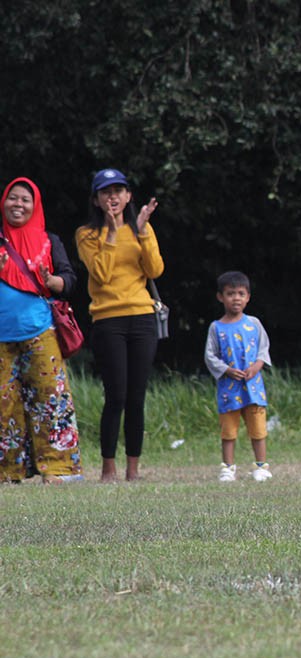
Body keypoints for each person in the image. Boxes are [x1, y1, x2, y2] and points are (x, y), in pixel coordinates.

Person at [75, 168, 162, 482]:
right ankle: (108, 468)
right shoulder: (86, 234)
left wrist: (142, 231)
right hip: (107, 318)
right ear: (96, 200)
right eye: (105, 192)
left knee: (137, 396)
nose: (112, 197)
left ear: (128, 196)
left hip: (142, 316)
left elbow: (155, 269)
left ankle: (133, 469)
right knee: (116, 396)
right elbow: (101, 275)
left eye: (118, 191)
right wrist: (111, 234)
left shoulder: (141, 228)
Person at [0, 177, 82, 484]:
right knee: (3, 405)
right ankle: (7, 472)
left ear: (35, 206)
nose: (18, 204)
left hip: (40, 332)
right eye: (13, 198)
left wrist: (53, 282)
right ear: (3, 202)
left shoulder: (50, 240)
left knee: (51, 400)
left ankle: (59, 470)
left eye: (25, 200)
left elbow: (69, 280)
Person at [204, 271, 272, 482]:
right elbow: (210, 356)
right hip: (228, 389)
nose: (236, 298)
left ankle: (261, 466)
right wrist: (227, 370)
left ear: (248, 297)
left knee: (258, 429)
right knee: (228, 431)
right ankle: (228, 468)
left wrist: (257, 366)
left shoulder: (254, 323)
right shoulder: (216, 327)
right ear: (220, 297)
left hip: (253, 388)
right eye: (230, 293)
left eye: (241, 294)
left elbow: (263, 348)